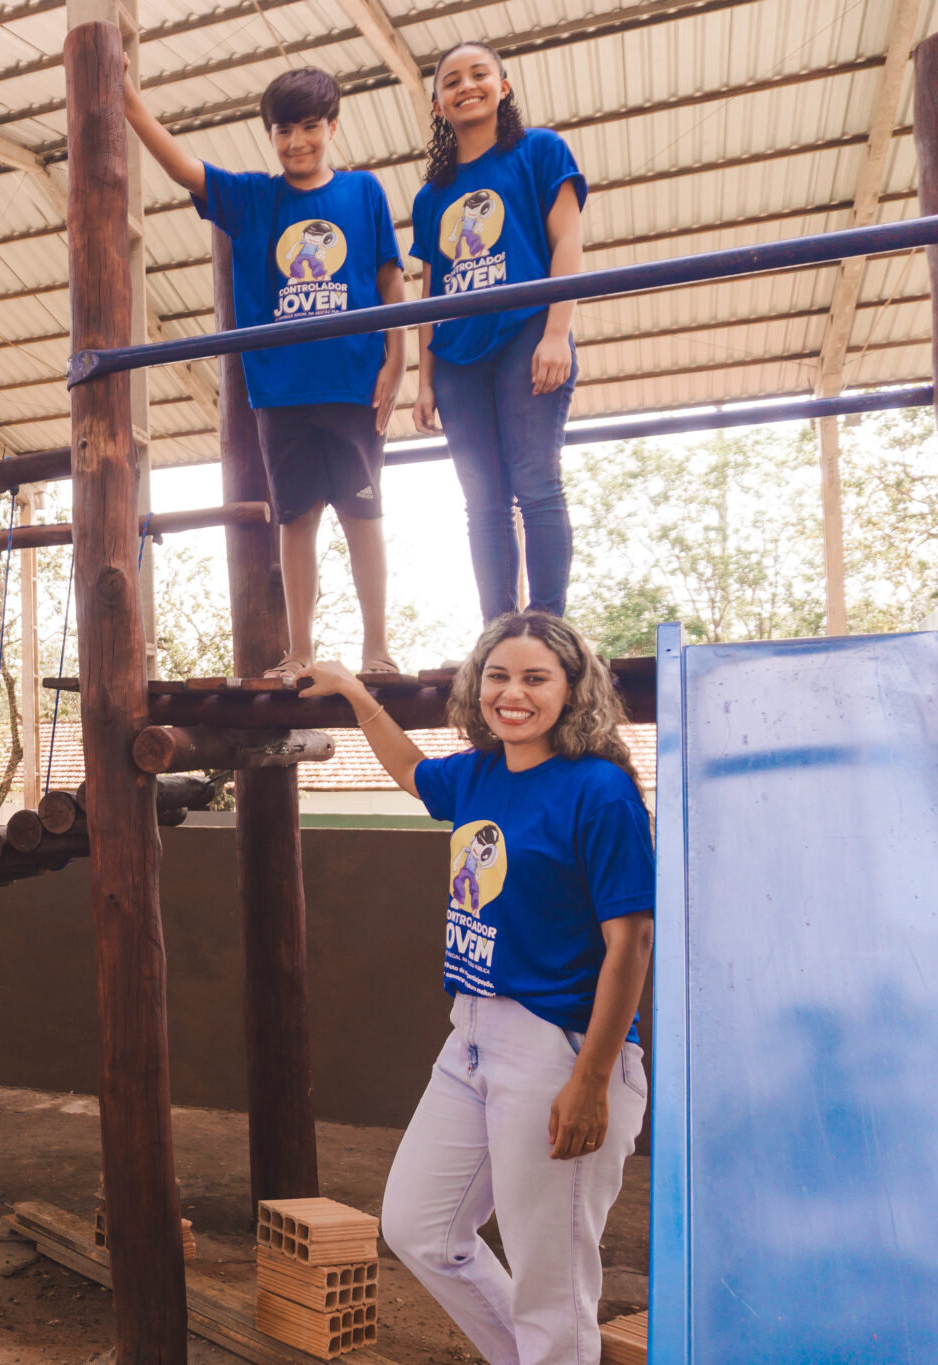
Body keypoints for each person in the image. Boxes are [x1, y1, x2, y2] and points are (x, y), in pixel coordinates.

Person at [300, 612, 654, 1365]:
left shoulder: (599, 791)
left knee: (551, 1286)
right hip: (471, 1038)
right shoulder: (478, 771)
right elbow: (407, 769)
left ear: (572, 689)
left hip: (559, 1048)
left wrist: (590, 1079)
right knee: (421, 1227)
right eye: (498, 675)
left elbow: (632, 939)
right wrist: (354, 691)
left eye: (535, 677)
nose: (512, 693)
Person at [125, 62, 406, 679]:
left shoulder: (363, 193)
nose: (297, 142)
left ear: (333, 126)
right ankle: (299, 649)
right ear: (270, 135)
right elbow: (181, 167)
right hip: (278, 390)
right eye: (283, 130)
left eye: (310, 127)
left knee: (364, 511)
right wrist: (127, 97)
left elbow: (389, 277)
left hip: (353, 381)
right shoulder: (255, 197)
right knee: (295, 517)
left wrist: (397, 357)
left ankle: (377, 647)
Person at [409, 41, 586, 622]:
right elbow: (431, 290)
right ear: (438, 104)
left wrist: (557, 333)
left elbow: (567, 241)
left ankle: (548, 623)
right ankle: (497, 629)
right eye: (451, 81)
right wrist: (425, 379)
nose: (466, 87)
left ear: (502, 86)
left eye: (478, 74)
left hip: (527, 334)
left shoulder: (539, 150)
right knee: (482, 502)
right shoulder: (432, 194)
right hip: (458, 355)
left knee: (535, 481)